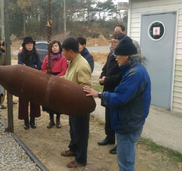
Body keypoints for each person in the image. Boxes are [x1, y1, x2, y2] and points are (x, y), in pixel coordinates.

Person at [83, 36, 151, 171]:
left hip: (128, 123)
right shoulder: (133, 70)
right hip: (128, 120)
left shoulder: (135, 74)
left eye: (117, 55)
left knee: (125, 163)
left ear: (127, 55)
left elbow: (121, 96)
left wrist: (99, 94)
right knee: (126, 159)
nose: (116, 58)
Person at [60, 37, 91, 168]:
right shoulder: (72, 62)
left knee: (81, 133)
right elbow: (68, 78)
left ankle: (81, 159)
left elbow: (84, 89)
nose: (62, 54)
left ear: (70, 51)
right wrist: (55, 79)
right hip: (72, 105)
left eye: (64, 51)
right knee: (73, 129)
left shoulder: (82, 65)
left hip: (80, 106)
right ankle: (73, 148)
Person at [97, 33, 125, 155]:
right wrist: (101, 76)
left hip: (116, 91)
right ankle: (109, 137)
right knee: (108, 116)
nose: (112, 44)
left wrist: (106, 79)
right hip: (108, 89)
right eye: (111, 42)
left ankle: (120, 144)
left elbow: (120, 76)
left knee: (117, 118)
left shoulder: (123, 58)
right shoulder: (110, 55)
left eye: (115, 42)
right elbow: (105, 68)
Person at [41, 40, 67, 128]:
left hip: (58, 80)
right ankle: (51, 120)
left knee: (58, 101)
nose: (54, 48)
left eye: (56, 46)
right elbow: (43, 68)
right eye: (53, 46)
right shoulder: (47, 58)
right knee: (49, 101)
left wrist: (56, 78)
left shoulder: (63, 58)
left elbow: (64, 71)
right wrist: (47, 75)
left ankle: (58, 119)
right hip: (48, 79)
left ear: (59, 47)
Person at [18, 36, 42, 130]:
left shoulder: (36, 54)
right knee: (24, 102)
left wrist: (27, 67)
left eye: (31, 44)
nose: (29, 45)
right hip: (24, 81)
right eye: (28, 44)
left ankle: (33, 121)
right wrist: (33, 67)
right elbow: (21, 67)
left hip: (34, 80)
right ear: (24, 45)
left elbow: (39, 67)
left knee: (35, 101)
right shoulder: (21, 54)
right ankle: (26, 121)